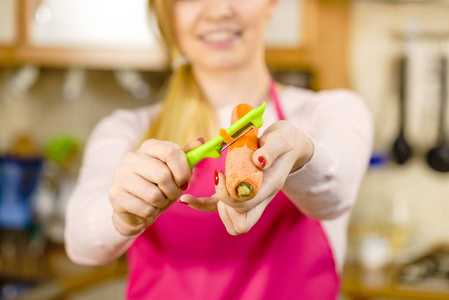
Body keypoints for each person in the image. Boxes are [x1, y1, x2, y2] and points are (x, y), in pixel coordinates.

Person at [65, 0, 373, 299]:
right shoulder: (127, 130)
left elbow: (336, 194)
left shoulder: (330, 111)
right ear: (168, 12)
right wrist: (124, 215)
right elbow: (81, 243)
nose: (217, 10)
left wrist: (302, 155)